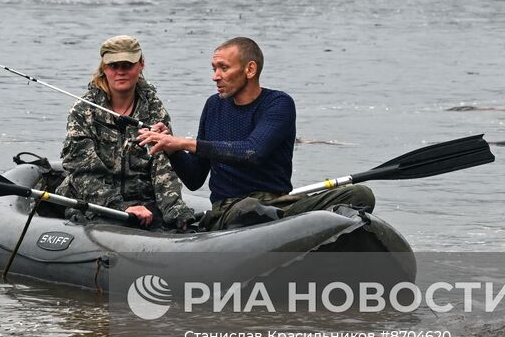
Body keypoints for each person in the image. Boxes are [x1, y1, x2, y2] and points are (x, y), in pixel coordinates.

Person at [136, 36, 374, 231]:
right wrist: (173, 150)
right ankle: (287, 228)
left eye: (223, 68)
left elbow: (252, 152)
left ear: (250, 69)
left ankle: (296, 228)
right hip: (231, 209)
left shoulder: (278, 103)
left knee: (361, 194)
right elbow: (195, 179)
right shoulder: (213, 105)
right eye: (214, 68)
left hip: (279, 203)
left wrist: (184, 142)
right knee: (249, 208)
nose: (215, 76)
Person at [56, 35, 197, 230]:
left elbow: (163, 171)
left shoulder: (155, 111)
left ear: (141, 65)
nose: (120, 72)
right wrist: (122, 207)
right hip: (94, 203)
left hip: (143, 203)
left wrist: (177, 215)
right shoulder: (83, 111)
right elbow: (82, 173)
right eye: (114, 66)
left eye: (127, 65)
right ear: (104, 68)